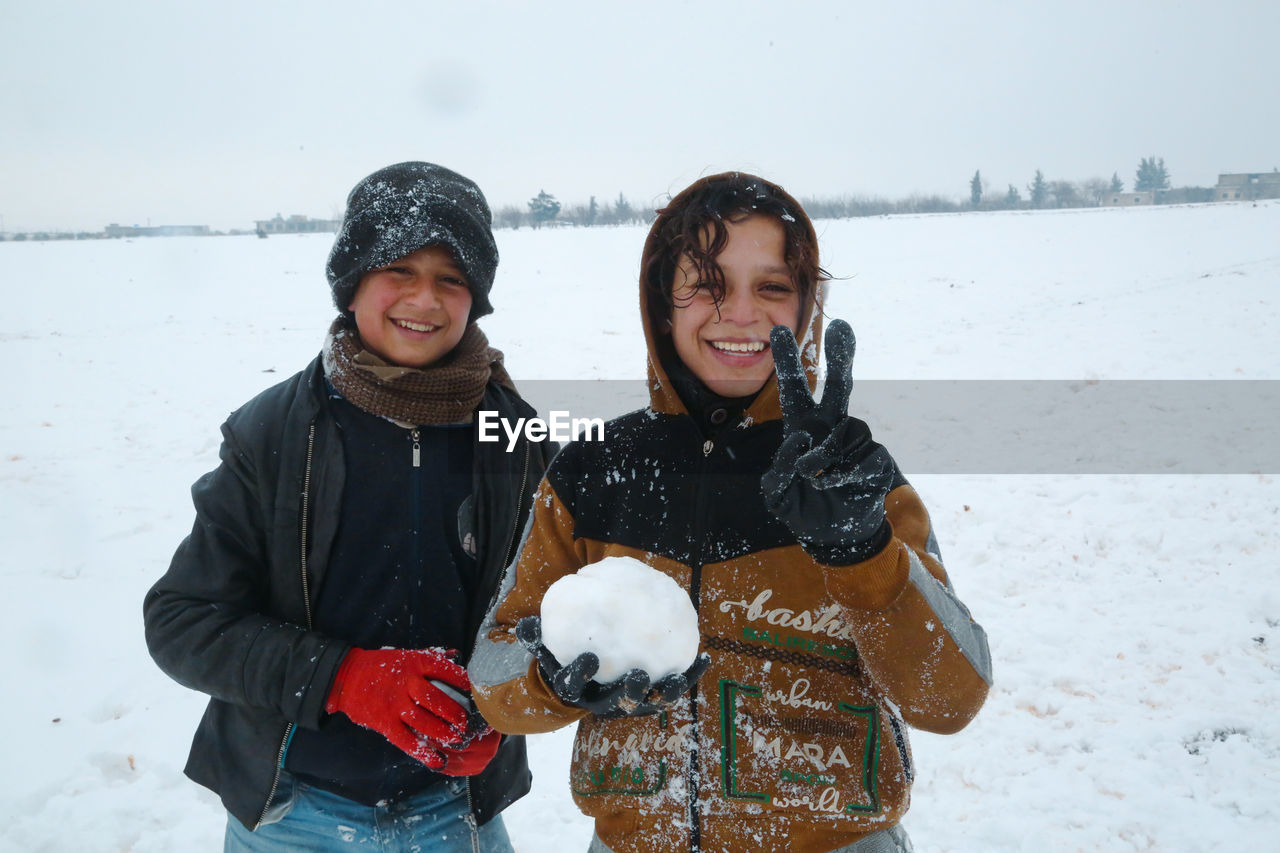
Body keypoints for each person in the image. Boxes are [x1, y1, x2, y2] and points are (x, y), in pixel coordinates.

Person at [469, 172, 992, 853]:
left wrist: (862, 552)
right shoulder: (591, 472)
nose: (739, 313)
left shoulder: (850, 476)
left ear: (806, 306)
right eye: (706, 285)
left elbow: (950, 697)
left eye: (772, 287)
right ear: (662, 304)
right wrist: (551, 678)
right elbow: (492, 673)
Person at [144, 162, 556, 852]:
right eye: (399, 269)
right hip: (290, 817)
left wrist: (507, 706)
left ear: (475, 297)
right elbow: (182, 621)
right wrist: (342, 677)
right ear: (352, 282)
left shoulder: (517, 436)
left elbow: (554, 606)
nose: (424, 299)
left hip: (455, 814)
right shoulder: (272, 432)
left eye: (451, 278)